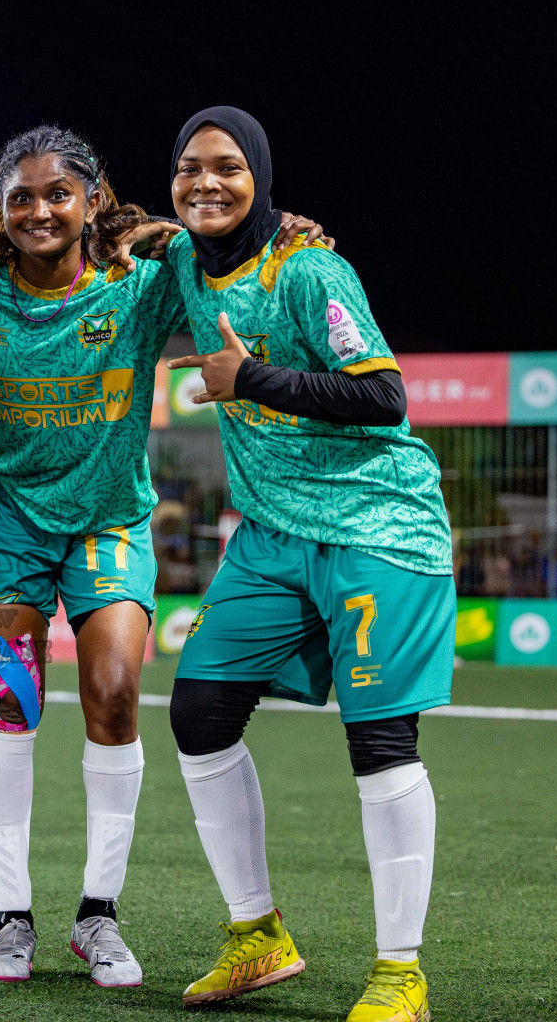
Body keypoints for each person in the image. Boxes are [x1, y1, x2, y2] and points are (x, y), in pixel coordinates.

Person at [0, 124, 325, 988]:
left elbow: (225, 264)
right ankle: (12, 918)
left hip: (108, 523)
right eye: (19, 197)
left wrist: (279, 230)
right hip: (9, 526)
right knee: (13, 711)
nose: (39, 210)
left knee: (116, 695)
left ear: (93, 199)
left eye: (58, 193)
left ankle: (98, 916)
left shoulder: (143, 279)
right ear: (0, 209)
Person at [160, 107, 451, 1022]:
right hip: (273, 534)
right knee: (199, 711)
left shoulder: (311, 267)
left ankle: (400, 974)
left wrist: (249, 379)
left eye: (228, 168)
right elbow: (121, 225)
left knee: (379, 742)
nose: (206, 183)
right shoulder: (177, 259)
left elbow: (383, 395)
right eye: (190, 168)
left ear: (264, 181)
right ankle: (257, 935)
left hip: (379, 527)